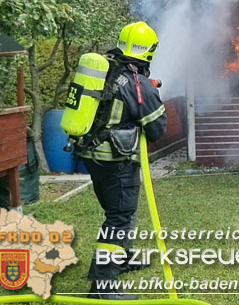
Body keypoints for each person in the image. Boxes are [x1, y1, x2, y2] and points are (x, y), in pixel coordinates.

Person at [78, 22, 167, 300]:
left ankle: (122, 258)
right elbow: (157, 129)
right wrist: (152, 95)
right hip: (116, 161)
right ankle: (104, 287)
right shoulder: (138, 84)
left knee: (118, 212)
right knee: (119, 219)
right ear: (148, 52)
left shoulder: (107, 70)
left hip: (93, 156)